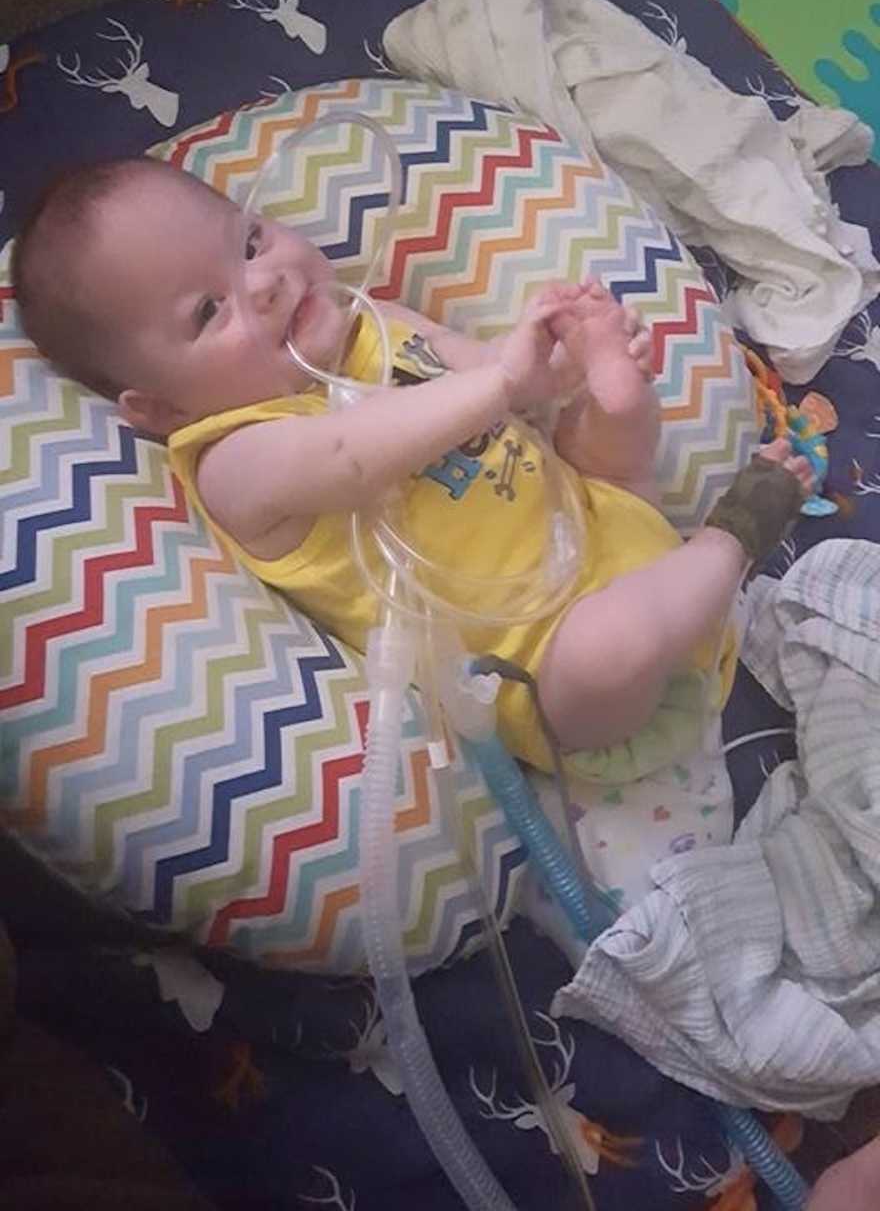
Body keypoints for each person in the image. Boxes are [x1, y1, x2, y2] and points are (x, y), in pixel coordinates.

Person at [12, 157, 810, 781]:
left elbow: (499, 384)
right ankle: (732, 537)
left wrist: (554, 367)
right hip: (552, 672)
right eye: (207, 311)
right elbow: (350, 455)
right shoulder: (233, 458)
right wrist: (501, 384)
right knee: (613, 645)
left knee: (613, 417)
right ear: (160, 409)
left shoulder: (375, 324)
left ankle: (627, 424)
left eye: (249, 241)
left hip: (601, 515)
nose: (262, 282)